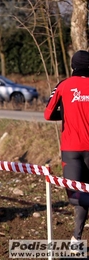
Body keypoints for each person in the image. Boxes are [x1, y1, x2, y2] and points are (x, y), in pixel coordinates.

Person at [44, 49, 89, 247]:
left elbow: (47, 114)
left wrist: (65, 114)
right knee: (84, 192)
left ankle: (76, 239)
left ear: (73, 66)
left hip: (71, 150)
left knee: (75, 195)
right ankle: (76, 238)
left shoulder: (64, 85)